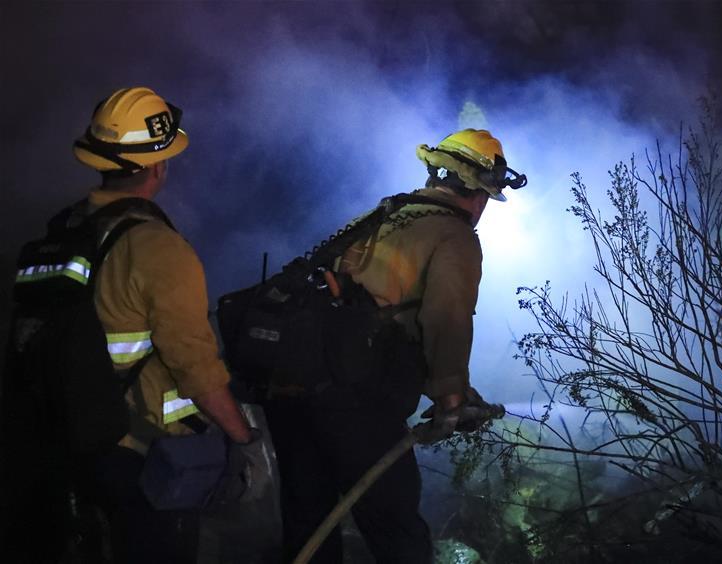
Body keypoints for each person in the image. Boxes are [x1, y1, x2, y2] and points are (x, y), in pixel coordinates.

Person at [1, 87, 262, 563]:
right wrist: (243, 439)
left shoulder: (65, 232)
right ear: (159, 165)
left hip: (64, 440)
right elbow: (196, 366)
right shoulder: (158, 248)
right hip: (144, 454)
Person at [264, 129, 526, 563]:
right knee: (396, 533)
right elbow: (447, 319)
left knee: (309, 524)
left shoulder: (385, 214)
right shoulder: (454, 235)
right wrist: (451, 400)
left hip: (294, 391)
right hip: (356, 404)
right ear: (479, 193)